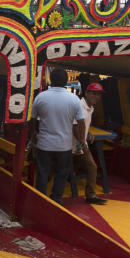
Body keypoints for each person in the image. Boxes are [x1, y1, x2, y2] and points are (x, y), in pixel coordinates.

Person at [29, 68, 84, 204]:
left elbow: (32, 120)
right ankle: (56, 199)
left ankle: (40, 201)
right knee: (61, 173)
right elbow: (81, 122)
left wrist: (34, 134)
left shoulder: (41, 97)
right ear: (66, 81)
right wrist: (81, 139)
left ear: (51, 80)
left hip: (44, 143)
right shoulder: (74, 99)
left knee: (42, 173)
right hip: (64, 145)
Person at [77, 81, 107, 204]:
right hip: (74, 144)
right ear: (86, 93)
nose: (96, 96)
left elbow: (82, 125)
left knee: (92, 167)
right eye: (93, 93)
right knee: (57, 169)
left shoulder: (90, 108)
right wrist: (82, 142)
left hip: (80, 144)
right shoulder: (79, 106)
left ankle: (90, 195)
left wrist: (87, 133)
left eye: (98, 94)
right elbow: (74, 126)